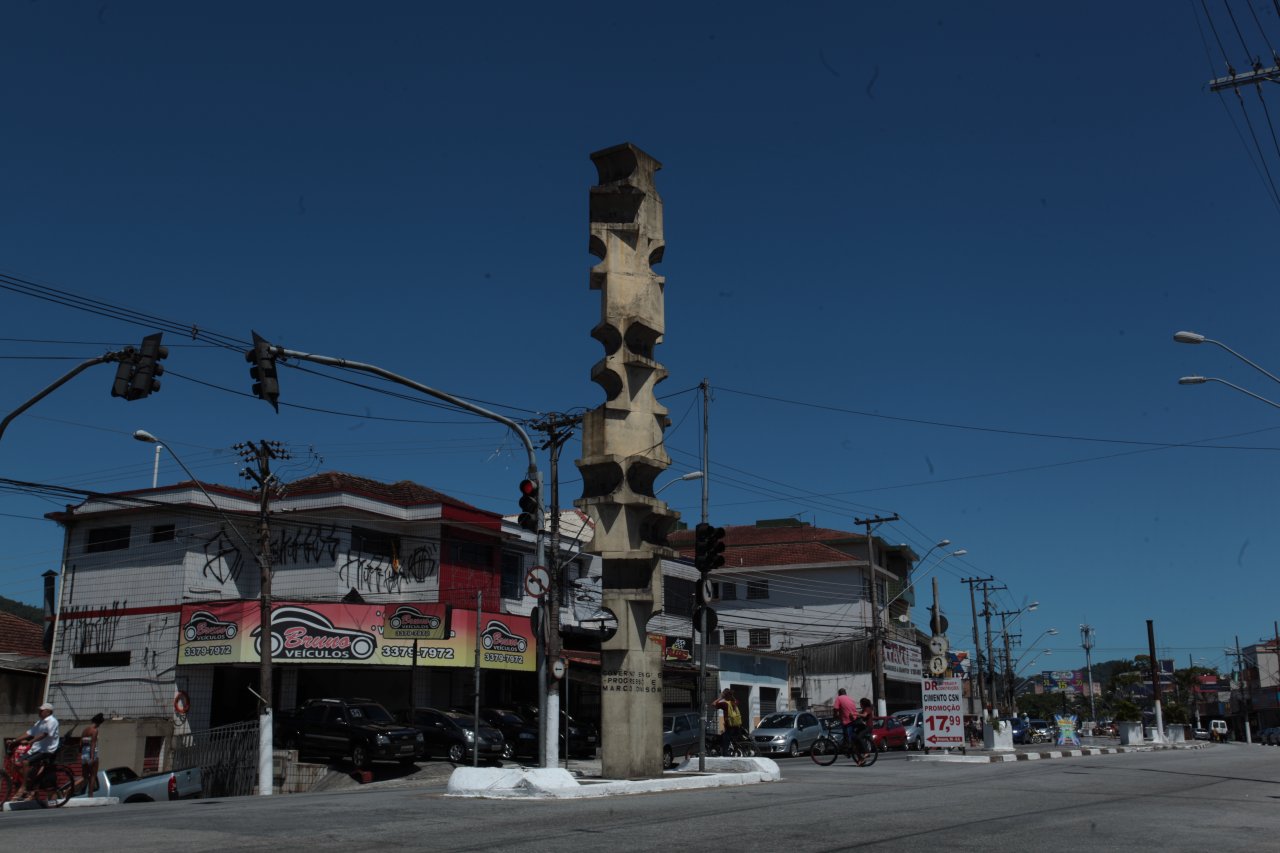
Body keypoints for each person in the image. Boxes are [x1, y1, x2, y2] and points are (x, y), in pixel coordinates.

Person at [12, 702, 60, 802]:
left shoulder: (52, 721)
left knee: (26, 762)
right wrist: (14, 741)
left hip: (47, 750)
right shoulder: (39, 722)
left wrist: (30, 742)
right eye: (40, 710)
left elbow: (44, 734)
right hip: (37, 749)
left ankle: (24, 787)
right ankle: (29, 781)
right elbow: (29, 733)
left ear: (48, 711)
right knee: (16, 763)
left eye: (42, 710)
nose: (40, 712)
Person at [80, 713, 104, 797]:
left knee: (84, 776)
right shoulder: (94, 730)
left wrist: (81, 754)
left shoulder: (85, 730)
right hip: (91, 754)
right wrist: (92, 757)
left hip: (83, 754)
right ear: (98, 723)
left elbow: (81, 743)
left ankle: (68, 790)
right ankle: (90, 795)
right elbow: (93, 743)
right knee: (93, 775)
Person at [712, 689, 743, 754]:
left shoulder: (725, 704)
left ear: (725, 696)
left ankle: (726, 754)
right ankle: (732, 750)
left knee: (725, 742)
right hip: (737, 726)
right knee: (726, 737)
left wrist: (721, 698)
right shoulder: (735, 702)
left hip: (729, 727)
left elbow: (713, 704)